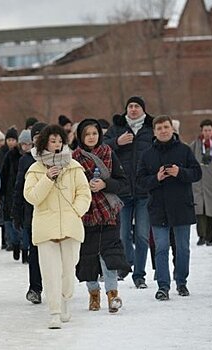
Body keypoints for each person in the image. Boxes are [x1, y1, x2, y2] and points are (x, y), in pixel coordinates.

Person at [23, 124, 91, 329]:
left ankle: (65, 302)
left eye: (59, 141)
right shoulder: (35, 169)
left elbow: (84, 193)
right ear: (44, 142)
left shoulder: (74, 166)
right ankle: (54, 311)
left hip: (70, 226)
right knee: (50, 271)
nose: (56, 145)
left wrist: (76, 212)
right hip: (46, 227)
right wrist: (47, 178)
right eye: (52, 141)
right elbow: (32, 196)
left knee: (68, 270)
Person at [137, 115, 202, 300]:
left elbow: (197, 173)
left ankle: (181, 282)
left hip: (182, 206)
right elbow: (140, 181)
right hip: (158, 208)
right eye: (159, 128)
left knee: (182, 248)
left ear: (172, 129)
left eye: (166, 127)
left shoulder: (184, 150)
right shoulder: (147, 154)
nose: (163, 131)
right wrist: (156, 178)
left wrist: (180, 172)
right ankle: (163, 286)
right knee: (161, 247)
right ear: (154, 132)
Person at [72, 119, 130, 313]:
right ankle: (93, 294)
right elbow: (68, 187)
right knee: (88, 257)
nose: (91, 137)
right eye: (87, 134)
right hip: (84, 214)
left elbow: (122, 183)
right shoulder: (73, 158)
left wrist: (105, 185)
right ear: (81, 136)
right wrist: (84, 187)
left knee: (110, 257)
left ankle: (112, 294)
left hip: (109, 214)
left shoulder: (108, 153)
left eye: (94, 133)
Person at [103, 96, 154, 289]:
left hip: (143, 191)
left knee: (141, 235)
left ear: (143, 110)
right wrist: (118, 141)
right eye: (130, 106)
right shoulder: (117, 127)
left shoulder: (150, 128)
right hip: (122, 190)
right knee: (123, 235)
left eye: (137, 106)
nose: (133, 109)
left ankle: (139, 275)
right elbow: (103, 148)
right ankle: (126, 266)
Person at [13, 122, 47, 304]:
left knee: (54, 253)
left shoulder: (59, 158)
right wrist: (15, 213)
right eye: (36, 136)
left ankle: (57, 286)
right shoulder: (26, 160)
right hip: (32, 213)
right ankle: (35, 288)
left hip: (53, 213)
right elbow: (19, 188)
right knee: (34, 253)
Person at [0, 127, 24, 260]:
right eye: (9, 139)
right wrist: (0, 193)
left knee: (20, 220)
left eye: (13, 139)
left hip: (21, 191)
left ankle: (22, 245)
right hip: (8, 192)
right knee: (9, 220)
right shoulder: (7, 155)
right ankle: (14, 243)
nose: (11, 142)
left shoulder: (22, 155)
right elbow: (3, 174)